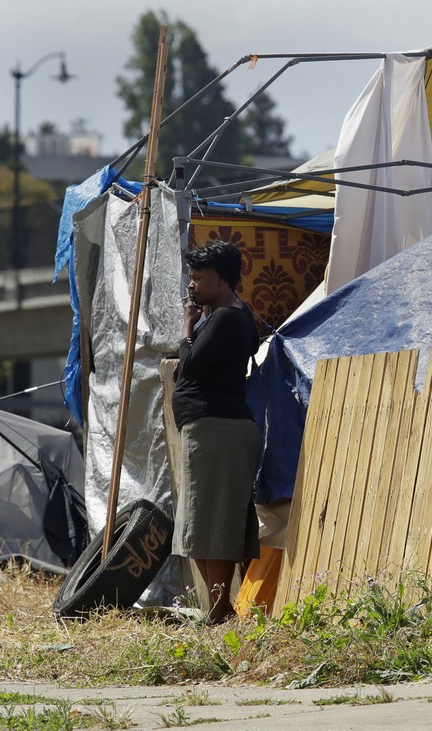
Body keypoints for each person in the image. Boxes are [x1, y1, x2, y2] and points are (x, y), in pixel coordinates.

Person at [171, 241, 261, 624]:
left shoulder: (225, 317)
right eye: (191, 277)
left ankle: (221, 611)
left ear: (222, 279)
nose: (191, 285)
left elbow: (189, 366)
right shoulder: (226, 315)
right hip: (211, 430)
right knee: (199, 522)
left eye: (198, 277)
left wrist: (187, 325)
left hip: (217, 430)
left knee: (214, 521)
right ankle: (217, 611)